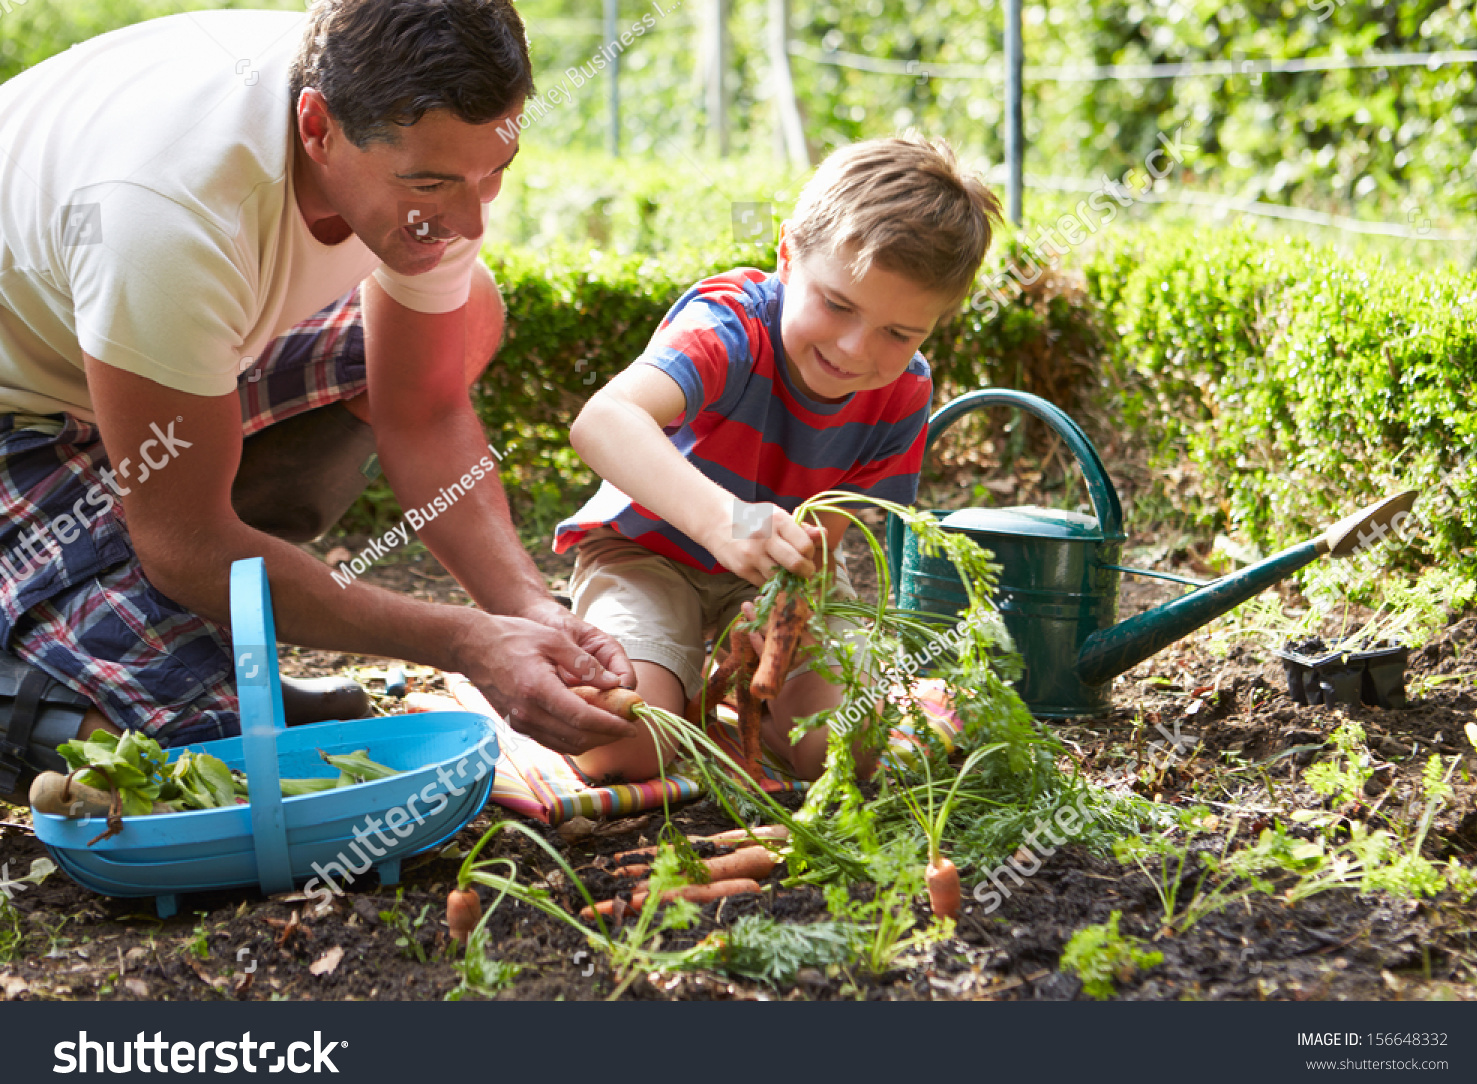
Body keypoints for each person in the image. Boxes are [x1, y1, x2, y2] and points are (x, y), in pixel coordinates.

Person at [0, 0, 637, 804]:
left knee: (466, 309)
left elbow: (426, 411)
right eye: (432, 183)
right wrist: (469, 643)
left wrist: (528, 610)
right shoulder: (172, 215)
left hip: (149, 359)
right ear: (316, 128)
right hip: (25, 407)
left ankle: (195, 608)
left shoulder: (429, 148)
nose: (471, 216)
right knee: (206, 757)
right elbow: (183, 539)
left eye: (494, 171)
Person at [554, 133, 1001, 783]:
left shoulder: (904, 394)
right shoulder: (730, 325)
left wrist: (780, 608)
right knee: (620, 745)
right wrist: (722, 522)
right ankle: (665, 680)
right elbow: (602, 421)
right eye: (837, 304)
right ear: (787, 255)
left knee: (843, 751)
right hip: (648, 550)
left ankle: (718, 690)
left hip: (780, 573)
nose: (854, 348)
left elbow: (826, 538)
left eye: (899, 333)